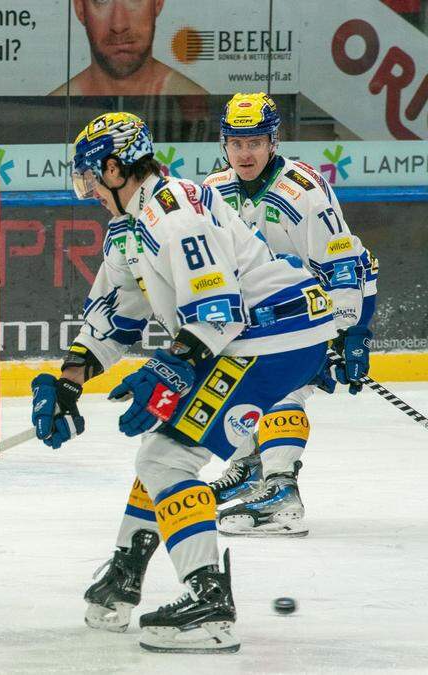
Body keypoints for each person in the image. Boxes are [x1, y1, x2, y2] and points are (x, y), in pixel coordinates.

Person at [32, 112, 335, 652]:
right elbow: (114, 315)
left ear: (113, 167)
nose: (87, 190)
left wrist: (172, 366)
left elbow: (218, 311)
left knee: (166, 459)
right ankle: (126, 574)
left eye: (88, 177)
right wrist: (68, 382)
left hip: (267, 338)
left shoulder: (175, 211)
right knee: (162, 449)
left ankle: (208, 603)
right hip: (258, 338)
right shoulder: (132, 226)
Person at [203, 93, 378, 536]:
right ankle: (247, 468)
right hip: (255, 313)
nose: (245, 153)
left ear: (273, 142)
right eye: (236, 143)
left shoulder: (302, 191)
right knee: (229, 380)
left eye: (255, 142)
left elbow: (345, 265)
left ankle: (281, 488)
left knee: (282, 384)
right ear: (224, 144)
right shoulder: (213, 190)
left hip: (311, 308)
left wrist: (351, 334)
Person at [49, 0, 206, 96]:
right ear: (80, 8)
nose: (119, 25)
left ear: (158, 2)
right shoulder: (54, 113)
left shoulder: (197, 100)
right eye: (102, 0)